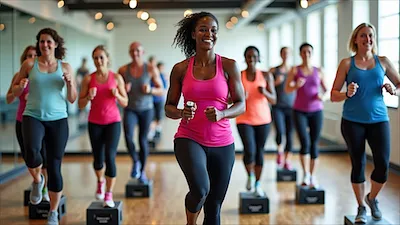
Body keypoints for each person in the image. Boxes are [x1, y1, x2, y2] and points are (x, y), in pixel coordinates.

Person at [165, 12, 245, 225]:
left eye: (213, 30)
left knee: (213, 208)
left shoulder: (229, 66)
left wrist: (222, 114)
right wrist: (182, 112)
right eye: (203, 29)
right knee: (200, 190)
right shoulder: (181, 69)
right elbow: (168, 108)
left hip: (223, 143)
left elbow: (241, 104)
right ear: (193, 34)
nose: (208, 34)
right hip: (189, 137)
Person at [331, 23, 400, 223]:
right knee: (358, 163)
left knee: (382, 166)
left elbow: (398, 83)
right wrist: (346, 93)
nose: (367, 39)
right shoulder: (347, 63)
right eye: (363, 35)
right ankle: (361, 206)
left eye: (371, 36)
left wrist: (393, 90)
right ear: (355, 39)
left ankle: (372, 198)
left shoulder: (383, 62)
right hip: (352, 122)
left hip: (379, 120)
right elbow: (333, 95)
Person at [12, 28, 77, 225]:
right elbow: (14, 91)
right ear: (38, 44)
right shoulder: (29, 64)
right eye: (42, 41)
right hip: (33, 116)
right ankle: (38, 180)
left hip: (58, 120)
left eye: (49, 41)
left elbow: (72, 99)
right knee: (31, 152)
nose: (45, 45)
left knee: (55, 166)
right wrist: (20, 87)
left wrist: (71, 84)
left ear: (56, 44)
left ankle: (53, 212)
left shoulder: (65, 67)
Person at [78, 45, 128, 208]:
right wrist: (88, 97)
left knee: (110, 157)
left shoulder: (117, 78)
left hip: (113, 122)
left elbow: (125, 102)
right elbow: (80, 104)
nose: (98, 61)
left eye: (101, 57)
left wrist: (117, 95)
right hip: (95, 123)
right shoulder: (88, 79)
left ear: (107, 59)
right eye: (95, 58)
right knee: (98, 159)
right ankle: (100, 181)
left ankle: (108, 193)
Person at [6, 45, 50, 202]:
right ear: (24, 59)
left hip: (41, 121)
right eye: (28, 56)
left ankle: (43, 188)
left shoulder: (43, 76)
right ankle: (38, 180)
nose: (31, 58)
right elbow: (9, 98)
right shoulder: (19, 76)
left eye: (34, 56)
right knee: (28, 156)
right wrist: (19, 90)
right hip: (22, 120)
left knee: (43, 158)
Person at [118, 42, 163, 182]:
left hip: (146, 109)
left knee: (142, 140)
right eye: (132, 50)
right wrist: (123, 89)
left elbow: (161, 89)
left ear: (142, 52)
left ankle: (142, 171)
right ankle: (135, 162)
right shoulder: (123, 70)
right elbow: (116, 90)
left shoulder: (150, 69)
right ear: (129, 53)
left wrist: (150, 90)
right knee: (128, 137)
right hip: (130, 109)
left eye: (138, 50)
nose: (135, 53)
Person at [285, 43, 327, 189]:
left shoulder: (318, 70)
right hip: (299, 111)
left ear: (312, 53)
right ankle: (305, 174)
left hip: (316, 111)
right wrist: (296, 85)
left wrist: (322, 96)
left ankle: (313, 175)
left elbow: (326, 90)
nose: (306, 54)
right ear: (300, 54)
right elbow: (287, 88)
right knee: (305, 142)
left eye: (309, 51)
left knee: (314, 143)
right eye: (303, 52)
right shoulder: (295, 70)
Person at [236, 46, 276, 197]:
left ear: (258, 58)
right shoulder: (239, 75)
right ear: (245, 58)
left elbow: (274, 99)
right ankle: (250, 176)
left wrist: (264, 92)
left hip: (263, 119)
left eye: (254, 57)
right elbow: (228, 98)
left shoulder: (266, 75)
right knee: (249, 150)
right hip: (244, 119)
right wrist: (241, 96)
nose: (251, 59)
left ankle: (258, 184)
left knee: (260, 151)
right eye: (248, 56)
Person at [269, 47, 295, 169]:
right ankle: (280, 152)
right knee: (280, 131)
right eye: (284, 53)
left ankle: (287, 159)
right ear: (281, 54)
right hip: (277, 106)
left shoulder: (294, 70)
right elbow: (267, 87)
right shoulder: (274, 70)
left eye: (288, 53)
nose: (286, 55)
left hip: (292, 107)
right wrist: (276, 83)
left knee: (290, 134)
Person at [148, 61, 168, 142]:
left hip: (160, 100)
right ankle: (151, 134)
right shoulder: (152, 76)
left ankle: (157, 132)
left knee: (159, 117)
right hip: (152, 100)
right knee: (152, 118)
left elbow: (164, 88)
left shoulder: (163, 76)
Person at [76, 57, 90, 129]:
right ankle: (80, 121)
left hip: (85, 89)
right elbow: (77, 80)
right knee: (80, 106)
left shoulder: (86, 70)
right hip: (80, 89)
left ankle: (84, 121)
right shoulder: (79, 70)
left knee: (85, 106)